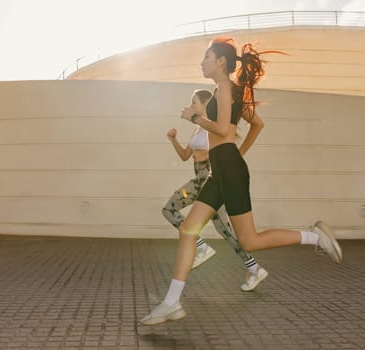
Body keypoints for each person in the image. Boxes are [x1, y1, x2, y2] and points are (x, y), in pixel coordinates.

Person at [140, 37, 342, 326]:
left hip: (228, 171)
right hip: (221, 171)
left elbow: (223, 129)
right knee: (188, 229)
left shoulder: (224, 88)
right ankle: (171, 303)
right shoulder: (228, 90)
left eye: (206, 57)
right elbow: (256, 124)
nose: (202, 62)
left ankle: (315, 236)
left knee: (250, 240)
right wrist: (238, 152)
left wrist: (196, 118)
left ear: (220, 61)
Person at [162, 88, 268, 292]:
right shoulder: (198, 128)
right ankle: (254, 268)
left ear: (205, 104)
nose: (192, 106)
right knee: (224, 229)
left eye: (195, 103)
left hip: (207, 177)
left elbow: (226, 141)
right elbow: (186, 156)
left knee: (169, 209)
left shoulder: (212, 125)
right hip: (203, 178)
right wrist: (173, 139)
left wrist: (239, 154)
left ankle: (201, 246)